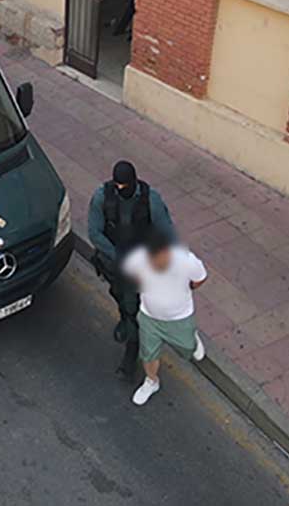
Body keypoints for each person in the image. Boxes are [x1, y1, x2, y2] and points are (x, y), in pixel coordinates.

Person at [86, 160, 175, 379]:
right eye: (117, 185)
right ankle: (128, 322)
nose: (120, 190)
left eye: (124, 186)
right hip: (117, 264)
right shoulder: (102, 197)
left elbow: (166, 233)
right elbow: (95, 233)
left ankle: (132, 351)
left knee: (132, 306)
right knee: (122, 299)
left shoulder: (150, 200)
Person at [122, 229, 207, 406]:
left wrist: (187, 288)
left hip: (179, 317)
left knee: (188, 349)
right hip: (149, 317)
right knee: (148, 354)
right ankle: (151, 381)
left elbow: (200, 278)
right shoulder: (138, 260)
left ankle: (193, 338)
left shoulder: (186, 260)